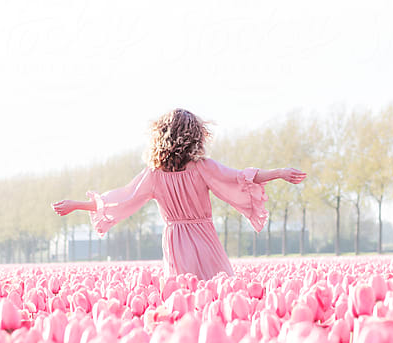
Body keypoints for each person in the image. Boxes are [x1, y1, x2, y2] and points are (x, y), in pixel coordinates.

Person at [52, 108, 306, 281]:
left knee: (184, 294)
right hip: (204, 236)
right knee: (217, 289)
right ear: (195, 136)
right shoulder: (202, 168)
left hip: (175, 239)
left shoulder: (153, 174)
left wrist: (78, 205)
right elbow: (239, 177)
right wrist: (279, 172)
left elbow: (122, 199)